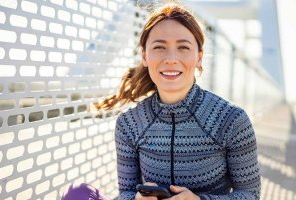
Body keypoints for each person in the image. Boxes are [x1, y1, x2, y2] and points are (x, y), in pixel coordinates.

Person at [64, 3, 260, 200]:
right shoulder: (128, 123)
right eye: (159, 47)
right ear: (144, 56)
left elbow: (250, 195)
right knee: (77, 195)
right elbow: (126, 192)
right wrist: (135, 199)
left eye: (183, 47)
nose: (171, 58)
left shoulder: (232, 120)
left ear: (199, 57)